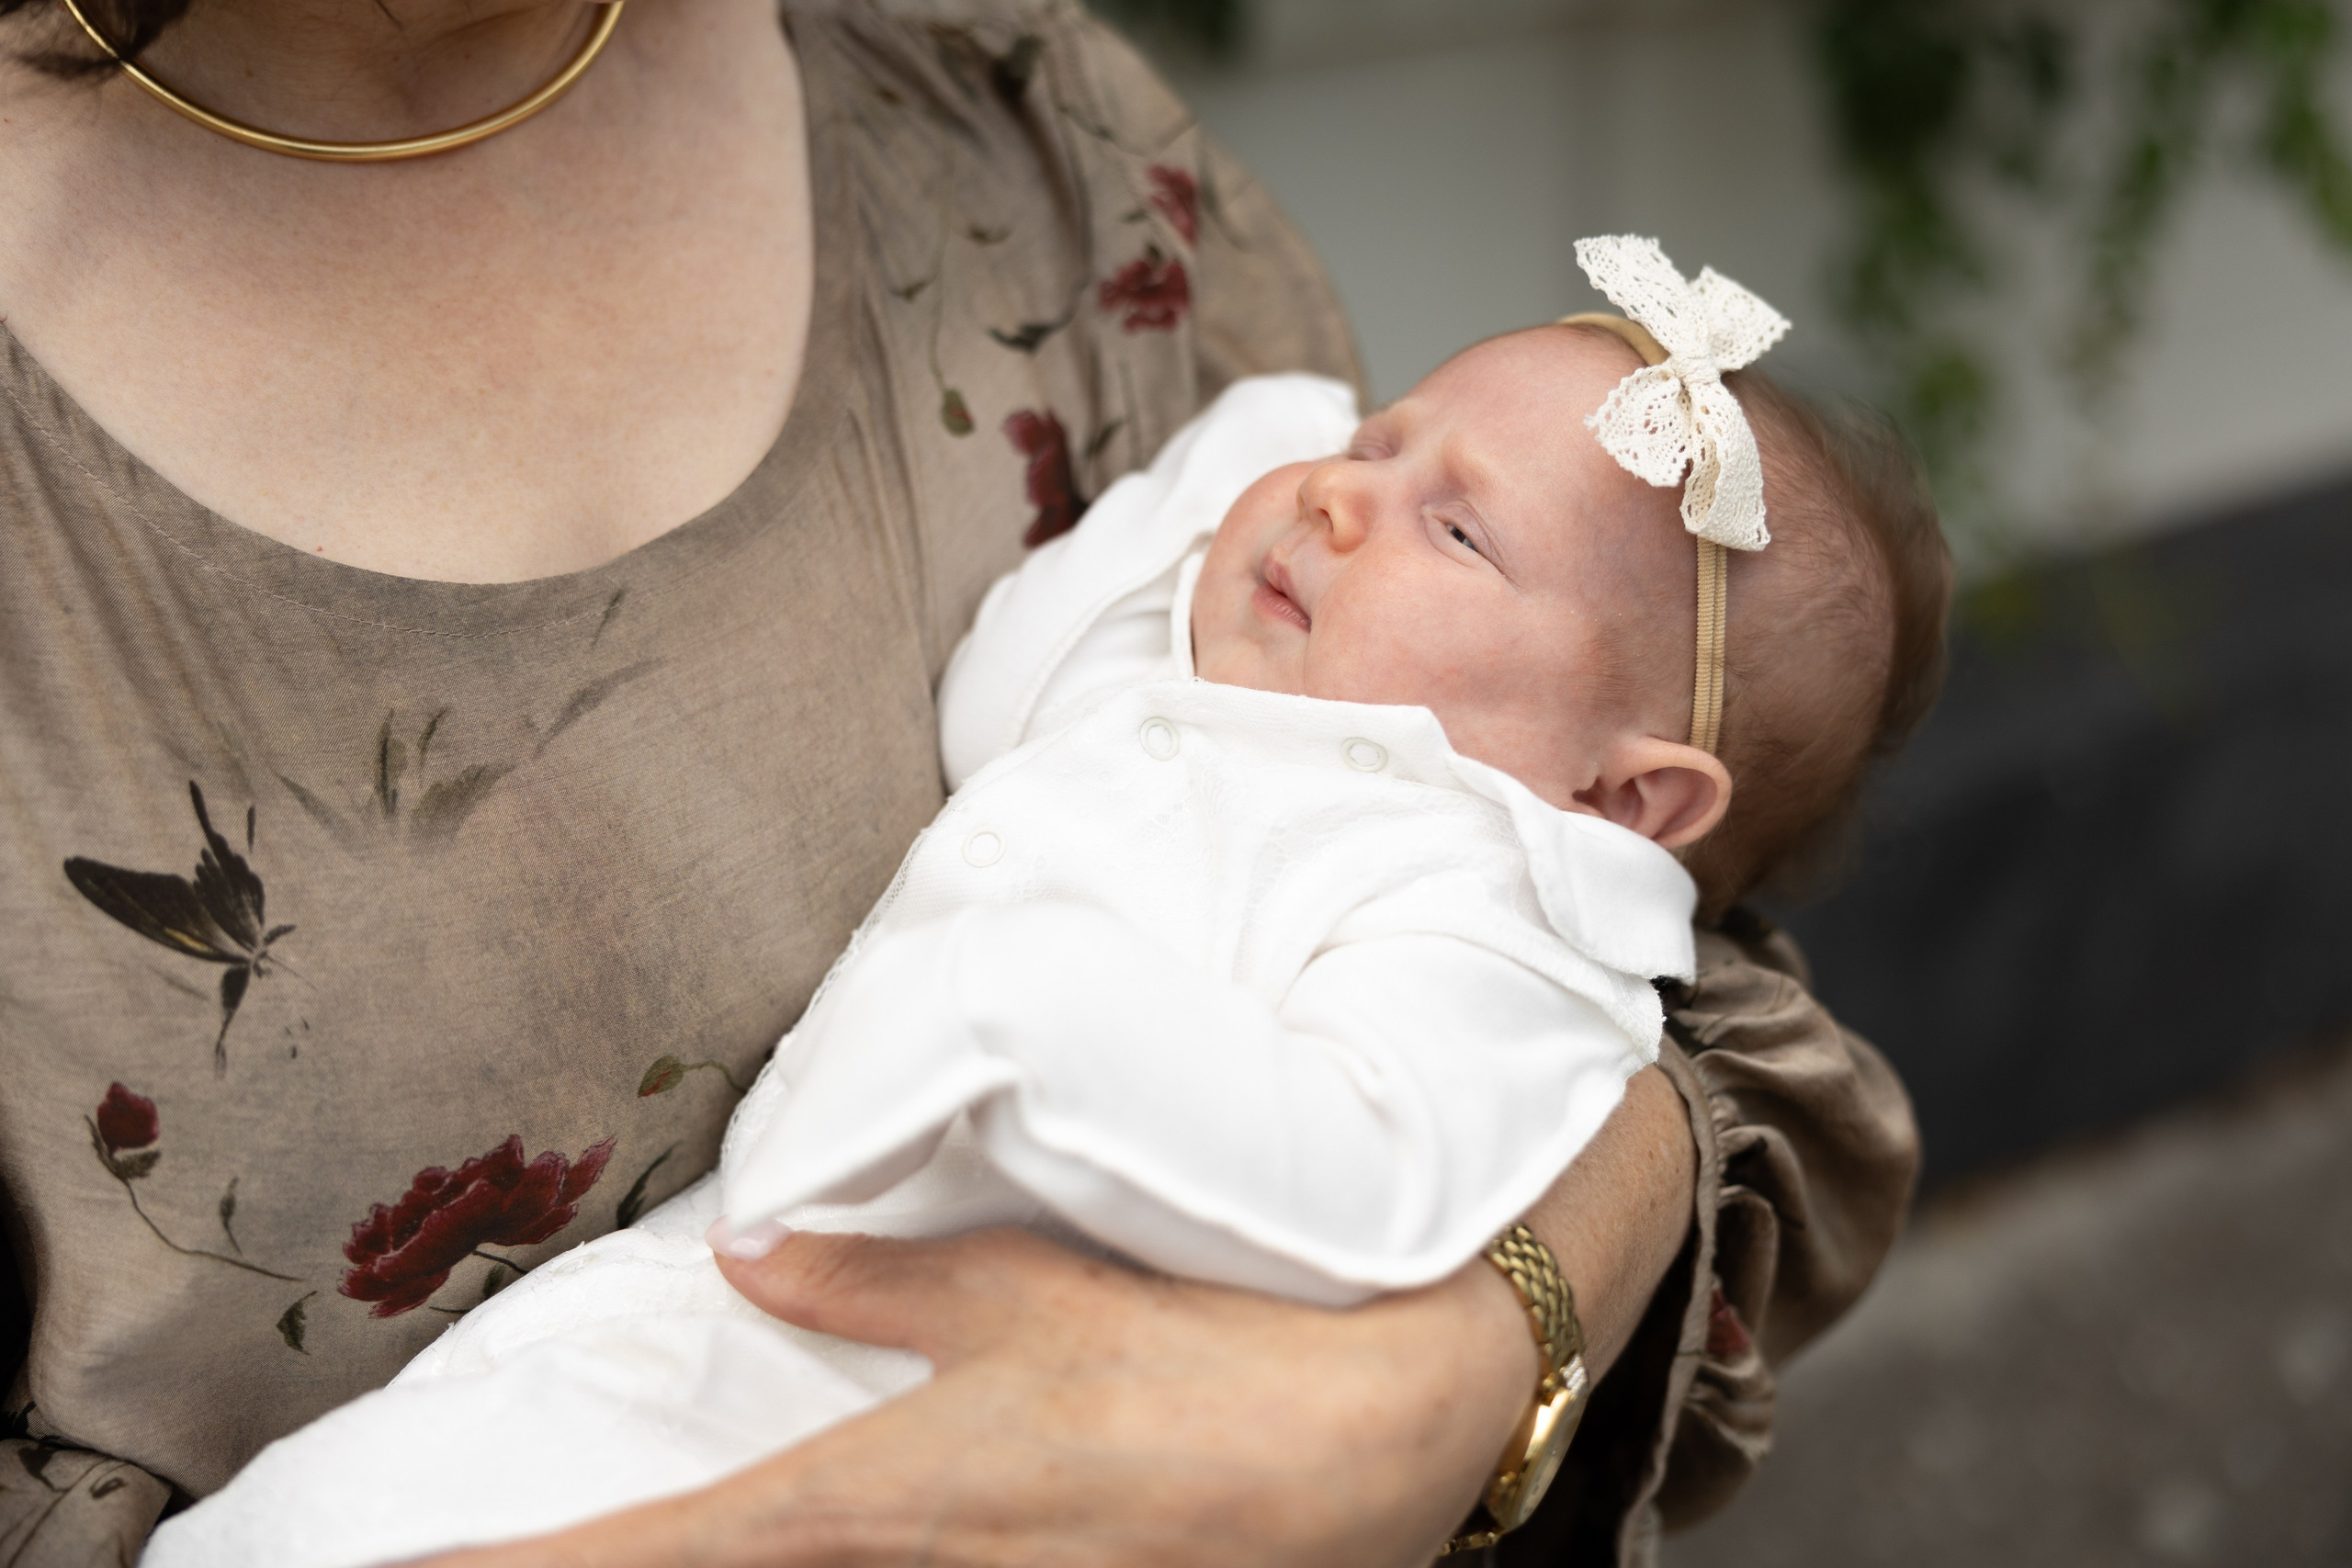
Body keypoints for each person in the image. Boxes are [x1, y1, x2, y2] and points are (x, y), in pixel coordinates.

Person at [0, 4, 1931, 1564]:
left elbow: (1625, 1052)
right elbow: (1034, 663)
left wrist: (1439, 1370)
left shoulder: (1015, 138)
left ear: (1630, 800)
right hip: (670, 1341)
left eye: (1453, 525)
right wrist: (1265, 460)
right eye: (1377, 435)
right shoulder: (1249, 628)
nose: (1343, 482)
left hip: (880, 1361)